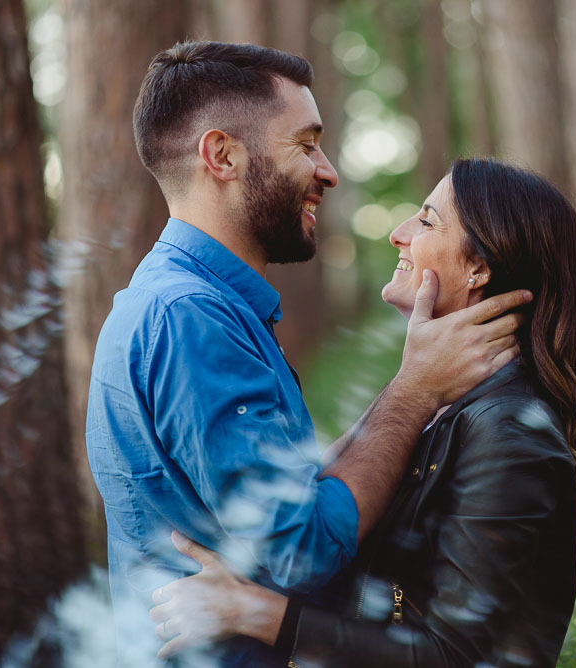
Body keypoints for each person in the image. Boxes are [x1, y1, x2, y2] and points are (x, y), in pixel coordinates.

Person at [85, 42, 530, 666]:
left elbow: (291, 505)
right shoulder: (190, 318)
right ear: (222, 155)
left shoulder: (185, 305)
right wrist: (414, 391)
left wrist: (417, 387)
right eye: (305, 143)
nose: (328, 169)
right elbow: (303, 546)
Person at [148, 157, 576, 667]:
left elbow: (455, 656)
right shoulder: (448, 404)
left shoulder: (507, 429)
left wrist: (256, 613)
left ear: (479, 268)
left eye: (426, 221)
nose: (399, 234)